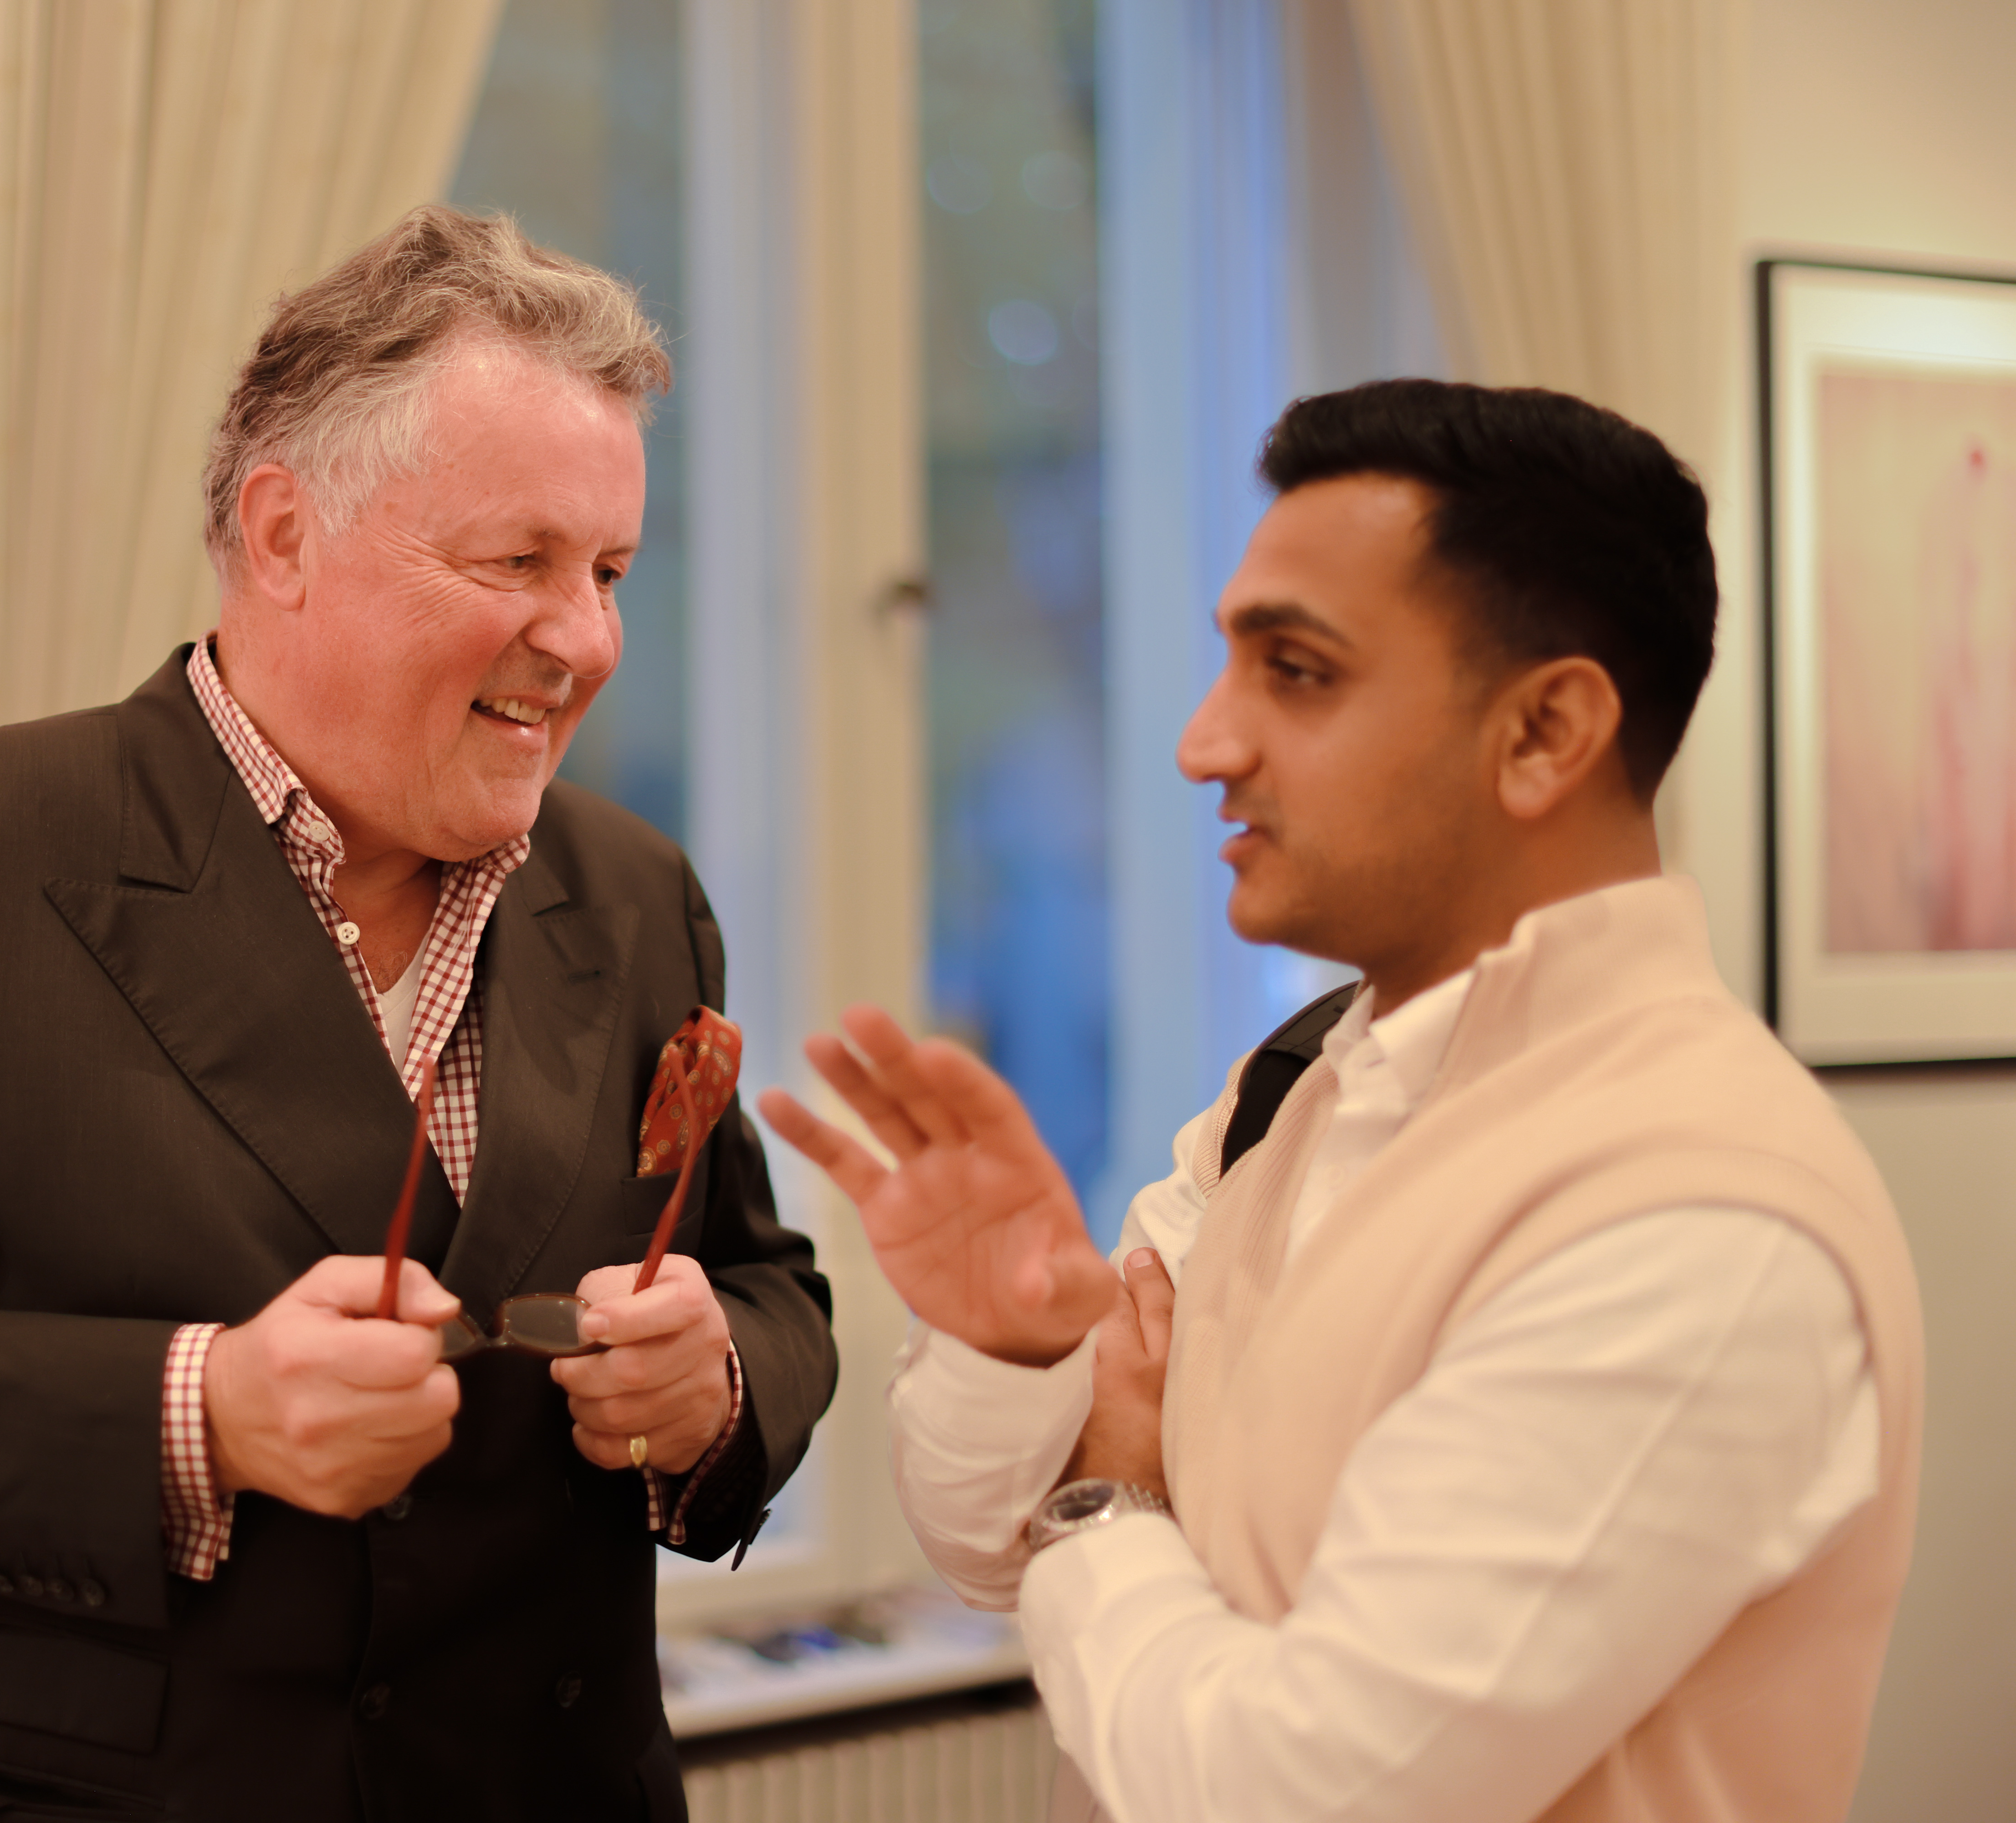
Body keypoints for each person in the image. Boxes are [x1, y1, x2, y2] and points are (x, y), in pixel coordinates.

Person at [0, 206, 835, 1823]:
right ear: (282, 535)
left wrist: (720, 1384)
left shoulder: (636, 891)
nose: (588, 639)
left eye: (609, 571)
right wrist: (201, 1415)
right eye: (520, 563)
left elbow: (765, 1285)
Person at [762, 380, 1922, 1823]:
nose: (1205, 743)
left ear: (1545, 730)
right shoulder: (1294, 1085)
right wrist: (1014, 1347)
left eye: (1297, 671)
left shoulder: (1697, 1211)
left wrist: (1111, 1506)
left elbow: (1294, 1793)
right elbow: (990, 1549)